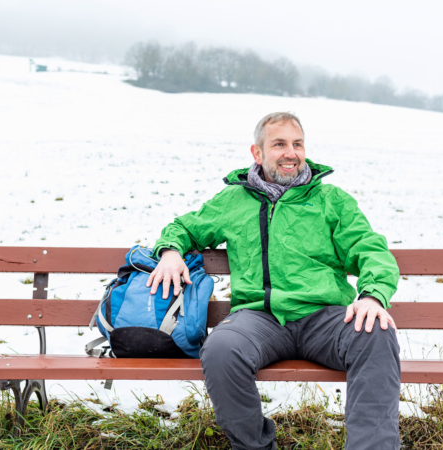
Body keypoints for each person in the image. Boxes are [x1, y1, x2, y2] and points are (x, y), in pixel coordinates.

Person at [147, 112, 401, 450]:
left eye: (297, 144)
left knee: (377, 334)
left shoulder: (331, 200)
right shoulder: (234, 201)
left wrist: (372, 295)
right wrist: (170, 251)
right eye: (279, 144)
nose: (291, 153)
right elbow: (186, 226)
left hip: (324, 319)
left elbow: (370, 248)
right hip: (259, 319)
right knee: (221, 349)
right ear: (257, 153)